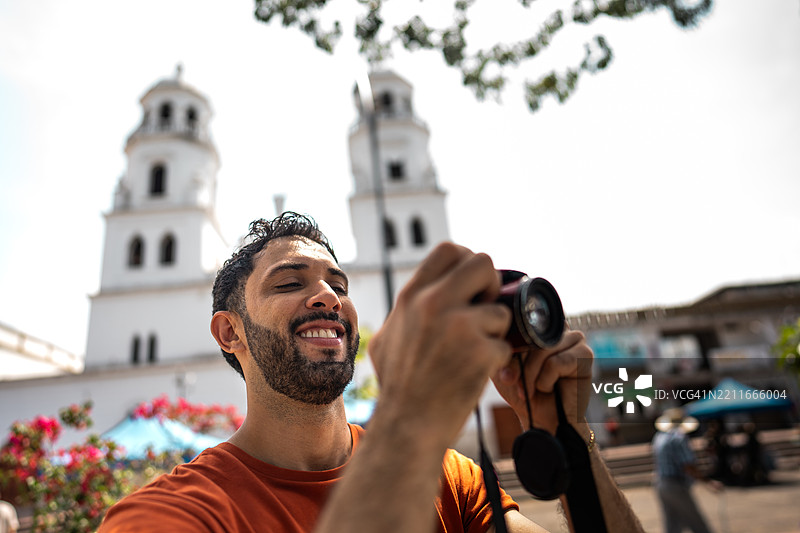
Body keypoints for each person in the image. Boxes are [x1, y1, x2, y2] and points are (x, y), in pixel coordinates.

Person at [99, 212, 644, 532]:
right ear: (229, 333)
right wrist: (411, 421)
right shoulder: (172, 516)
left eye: (339, 285)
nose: (326, 297)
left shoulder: (451, 480)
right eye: (290, 283)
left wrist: (569, 437)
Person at [652, 408, 721, 533]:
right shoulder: (678, 437)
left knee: (672, 524)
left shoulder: (659, 437)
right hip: (675, 484)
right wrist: (708, 482)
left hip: (661, 484)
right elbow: (688, 465)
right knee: (696, 523)